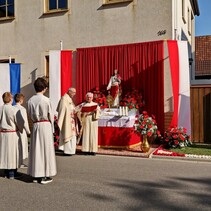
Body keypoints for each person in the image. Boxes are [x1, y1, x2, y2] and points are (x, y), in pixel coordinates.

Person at [27, 77, 57, 184]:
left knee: (36, 149)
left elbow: (30, 115)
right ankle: (44, 175)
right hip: (45, 125)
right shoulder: (46, 100)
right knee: (45, 149)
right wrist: (52, 128)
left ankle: (36, 174)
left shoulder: (30, 100)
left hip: (36, 125)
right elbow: (50, 115)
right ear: (44, 88)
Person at [0, 92, 22, 179]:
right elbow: (19, 122)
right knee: (12, 153)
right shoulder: (13, 109)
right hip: (12, 133)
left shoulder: (1, 108)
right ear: (10, 99)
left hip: (3, 133)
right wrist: (20, 129)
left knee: (5, 152)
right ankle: (12, 173)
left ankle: (5, 171)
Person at [56, 87, 78, 156]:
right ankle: (67, 151)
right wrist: (71, 112)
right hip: (67, 120)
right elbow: (62, 110)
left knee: (73, 135)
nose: (74, 94)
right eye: (73, 92)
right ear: (69, 91)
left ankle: (71, 150)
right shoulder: (64, 99)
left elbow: (71, 108)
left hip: (71, 120)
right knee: (67, 134)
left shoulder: (70, 99)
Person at [14, 93, 31, 168]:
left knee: (17, 147)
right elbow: (25, 122)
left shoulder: (12, 108)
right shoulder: (22, 109)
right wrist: (28, 131)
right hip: (21, 131)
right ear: (21, 100)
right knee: (22, 146)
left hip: (14, 130)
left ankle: (18, 161)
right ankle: (20, 162)